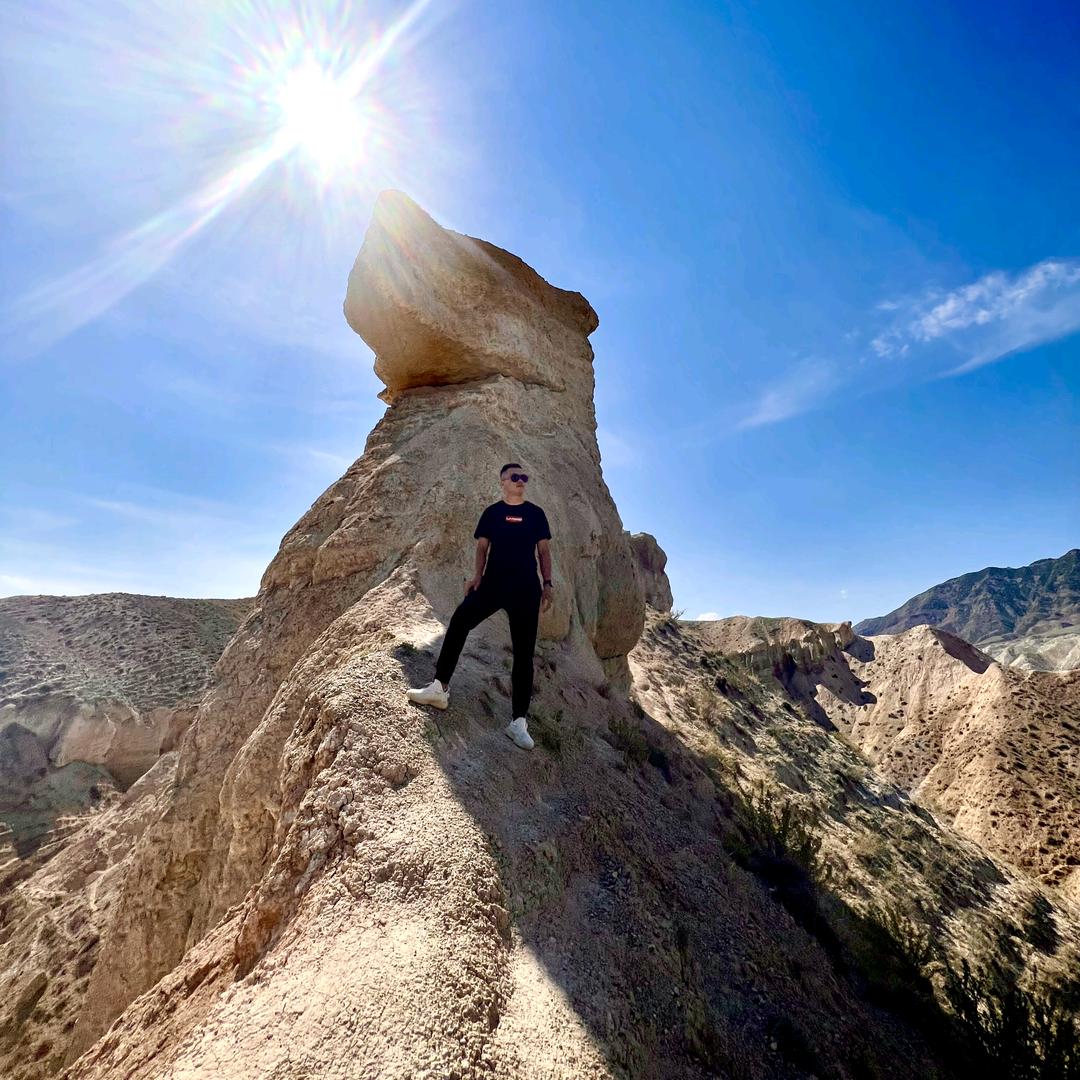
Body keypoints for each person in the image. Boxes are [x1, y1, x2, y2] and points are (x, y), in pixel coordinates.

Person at [406, 463, 554, 749]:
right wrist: (476, 577)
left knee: (524, 653)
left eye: (524, 477)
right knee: (460, 621)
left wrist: (548, 584)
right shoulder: (492, 513)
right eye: (515, 477)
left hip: (526, 589)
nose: (521, 481)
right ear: (503, 482)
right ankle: (439, 688)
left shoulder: (536, 514)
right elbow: (481, 548)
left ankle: (519, 722)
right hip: (493, 584)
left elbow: (544, 551)